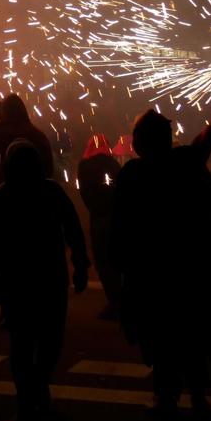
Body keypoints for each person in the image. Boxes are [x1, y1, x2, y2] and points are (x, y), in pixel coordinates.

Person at [111, 108, 211, 419]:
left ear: (142, 142)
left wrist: (120, 270)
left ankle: (168, 399)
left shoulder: (133, 174)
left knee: (161, 341)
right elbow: (201, 146)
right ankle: (197, 397)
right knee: (190, 337)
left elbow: (120, 228)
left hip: (152, 275)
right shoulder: (185, 164)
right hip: (187, 272)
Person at [0, 141, 89, 421]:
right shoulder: (49, 193)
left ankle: (30, 392)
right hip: (47, 279)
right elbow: (74, 232)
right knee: (46, 340)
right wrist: (80, 267)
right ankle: (35, 389)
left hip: (20, 283)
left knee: (25, 341)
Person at [0, 93, 54, 187]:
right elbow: (49, 170)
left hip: (6, 195)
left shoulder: (0, 133)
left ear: (3, 113)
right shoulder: (39, 136)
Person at [77, 134, 121, 317]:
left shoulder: (84, 166)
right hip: (116, 218)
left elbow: (85, 193)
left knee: (103, 261)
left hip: (99, 218)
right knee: (117, 261)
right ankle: (122, 302)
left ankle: (115, 303)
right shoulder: (114, 164)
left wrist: (95, 209)